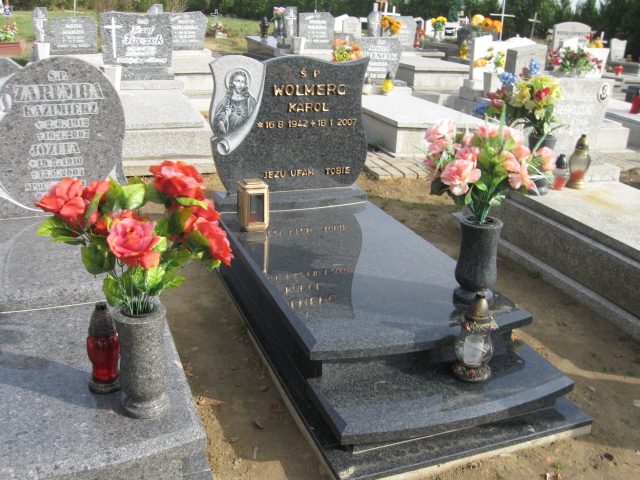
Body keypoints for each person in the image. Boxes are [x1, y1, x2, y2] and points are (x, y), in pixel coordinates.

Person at [213, 70, 257, 135]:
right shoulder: (225, 102)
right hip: (230, 137)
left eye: (243, 82)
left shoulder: (251, 101)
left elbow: (257, 121)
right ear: (232, 83)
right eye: (237, 81)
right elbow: (216, 126)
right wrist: (225, 118)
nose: (240, 85)